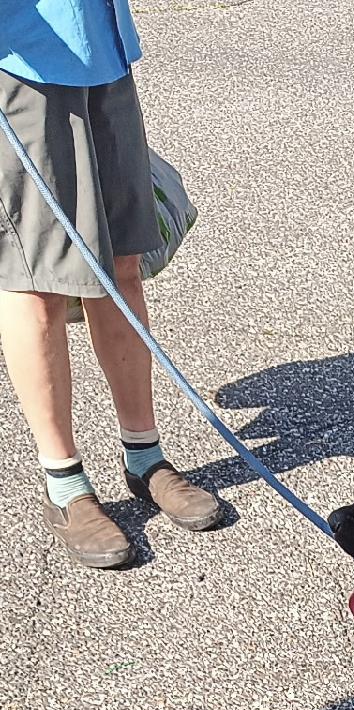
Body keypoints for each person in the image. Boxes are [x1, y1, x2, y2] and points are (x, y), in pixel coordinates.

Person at [0, 2, 221, 567]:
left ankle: (145, 457)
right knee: (37, 279)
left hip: (103, 47)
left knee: (122, 265)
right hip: (21, 58)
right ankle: (64, 483)